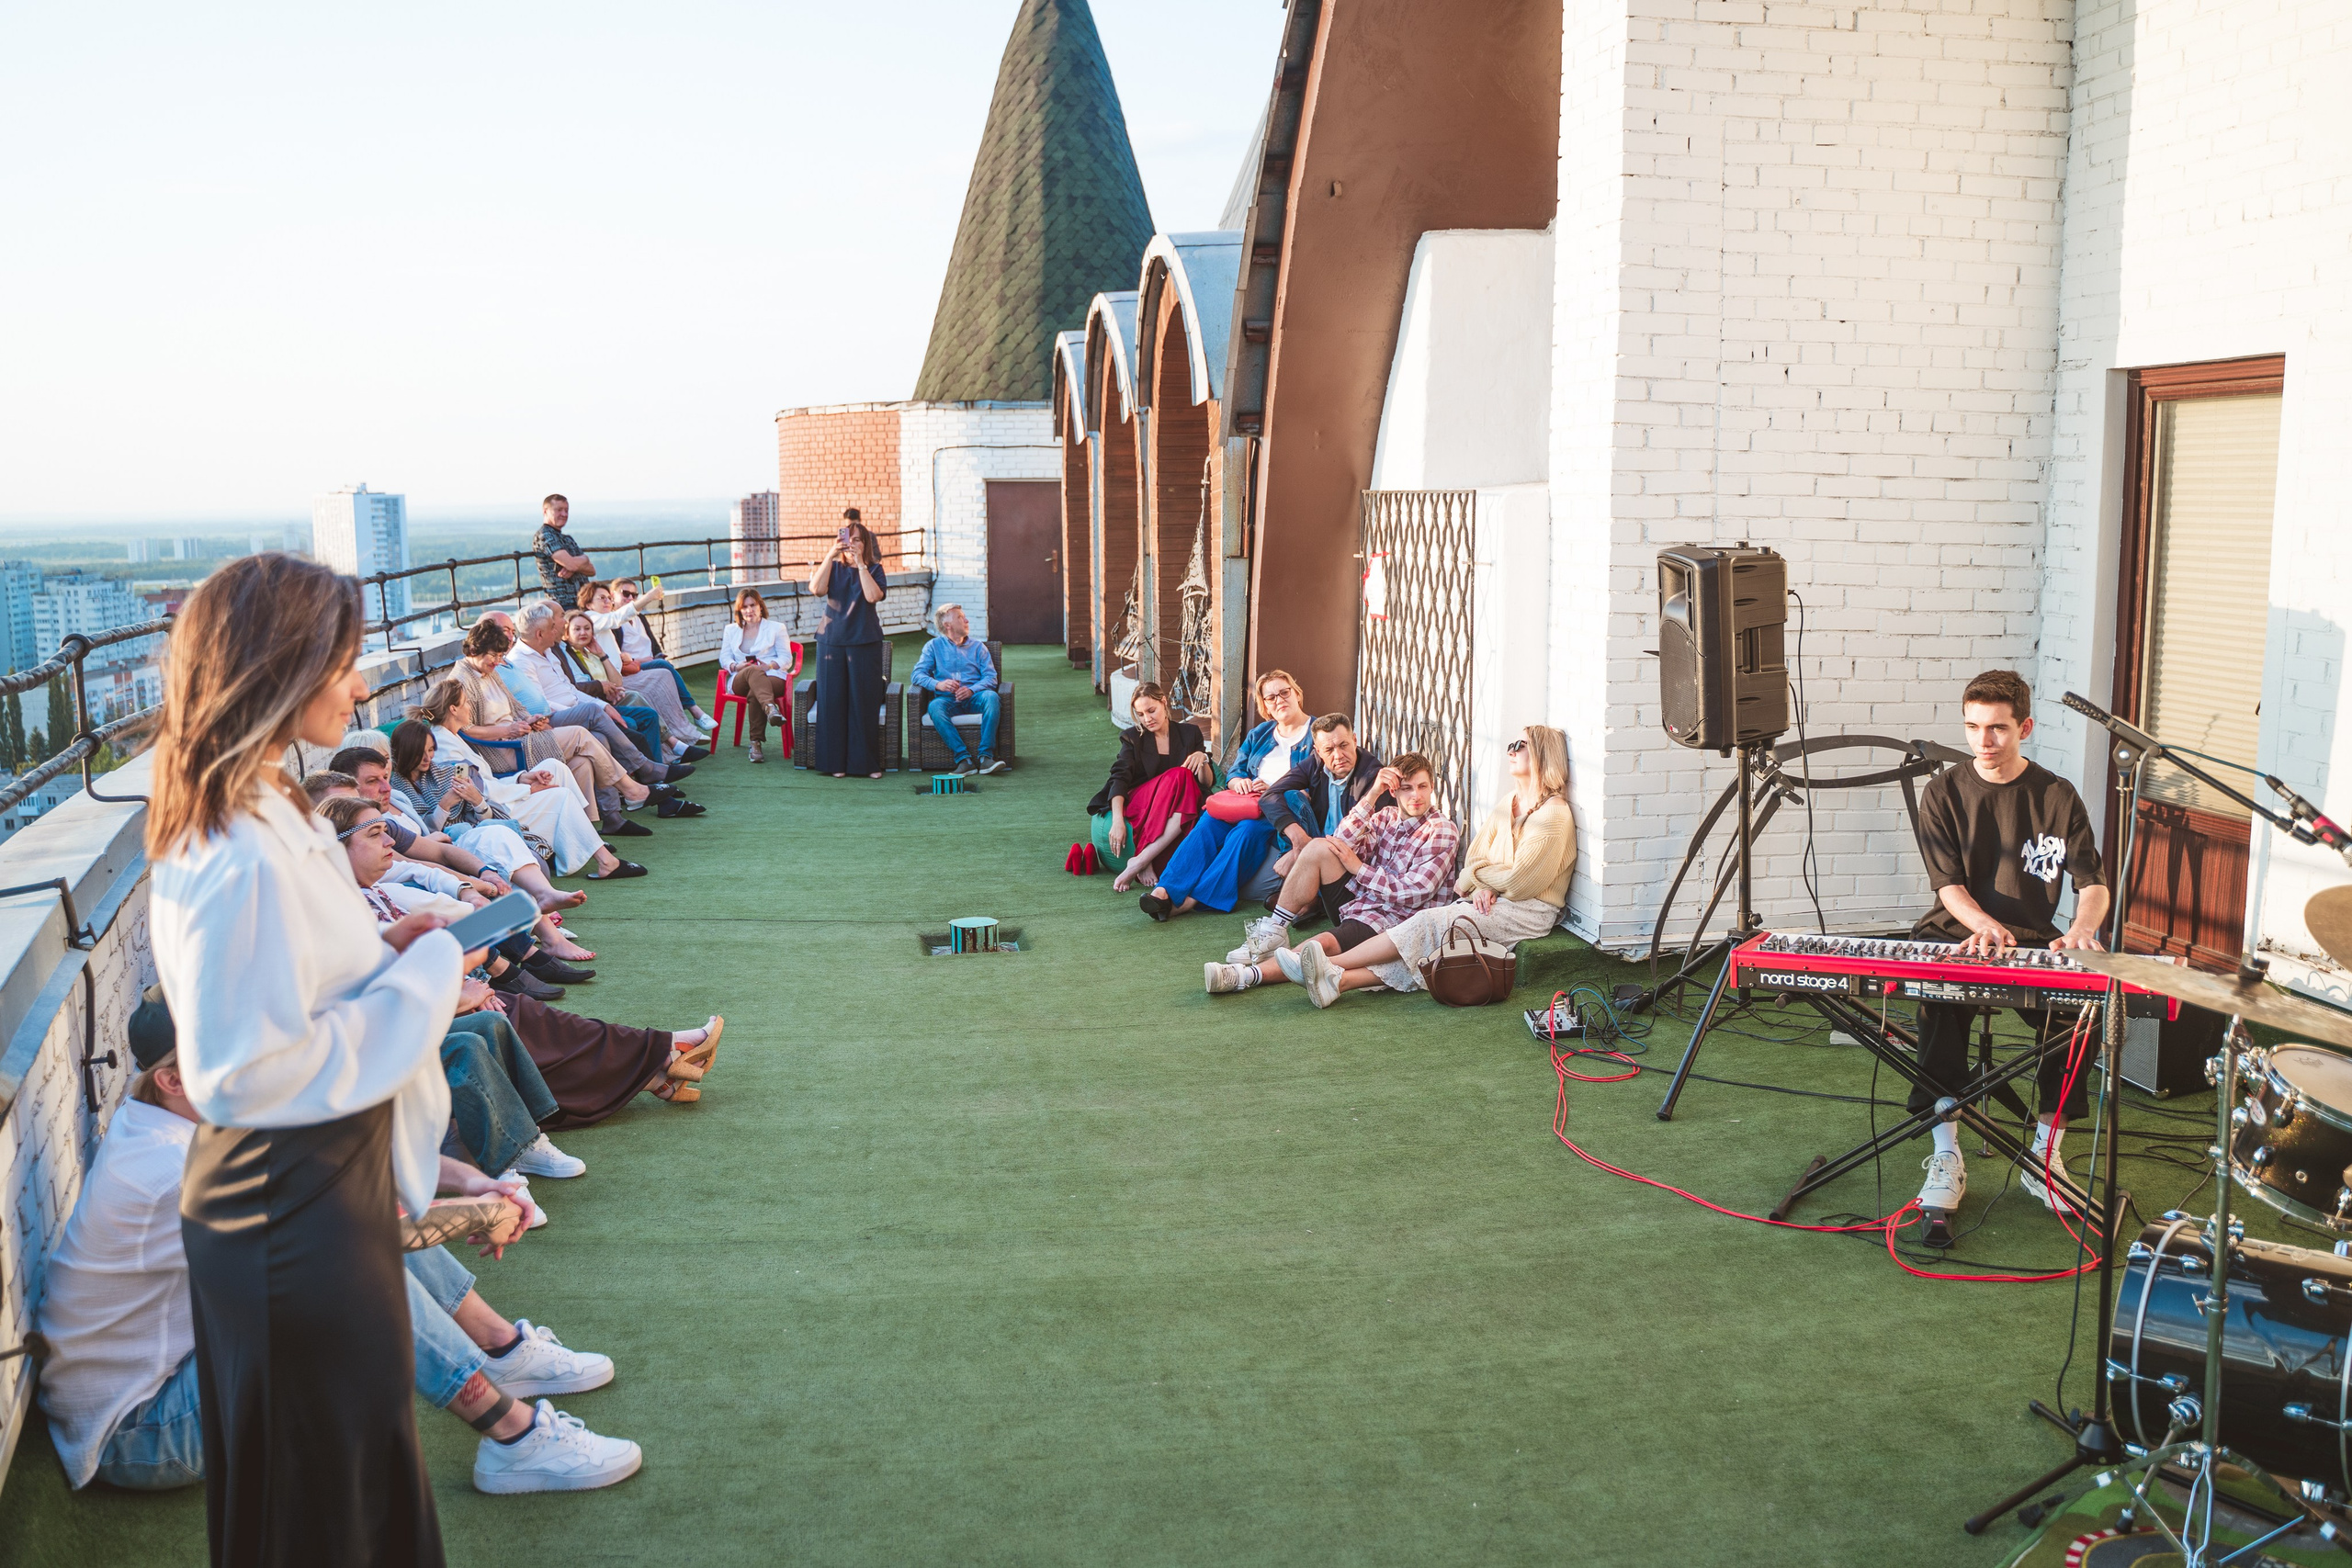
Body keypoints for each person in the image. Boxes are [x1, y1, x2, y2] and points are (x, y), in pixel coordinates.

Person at [146, 551, 475, 1562]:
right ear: (281, 668)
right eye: (346, 661)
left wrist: (381, 951)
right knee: (327, 1509)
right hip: (289, 1206)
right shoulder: (242, 848)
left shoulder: (258, 812)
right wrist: (428, 981)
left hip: (313, 1192)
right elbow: (240, 1070)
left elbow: (284, 986)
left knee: (341, 1490)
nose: (364, 683)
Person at [34, 988, 639, 1498]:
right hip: (144, 1430)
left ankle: (499, 1348)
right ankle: (514, 1436)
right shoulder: (177, 1170)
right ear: (171, 1078)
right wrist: (482, 1215)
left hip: (186, 1368)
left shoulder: (191, 1115)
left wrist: (475, 1182)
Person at [1906, 669, 2110, 1221]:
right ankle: (1946, 1155)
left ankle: (2045, 1156)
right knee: (1939, 1007)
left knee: (2079, 1016)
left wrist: (2084, 929)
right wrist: (1980, 925)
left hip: (2033, 939)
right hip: (1955, 934)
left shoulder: (2056, 795)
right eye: (1973, 727)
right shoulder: (1944, 791)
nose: (1983, 741)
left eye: (1997, 728)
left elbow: (2092, 883)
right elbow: (1947, 885)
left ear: (2025, 727)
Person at [1288, 726, 1576, 1009]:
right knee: (1431, 948)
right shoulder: (1509, 802)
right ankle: (1338, 982)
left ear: (1541, 755)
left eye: (1520, 745)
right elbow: (1476, 857)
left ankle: (1327, 966)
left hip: (1528, 910)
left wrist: (1481, 880)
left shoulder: (1553, 815)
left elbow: (1519, 883)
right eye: (1511, 744)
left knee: (1427, 925)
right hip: (1493, 898)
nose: (1510, 750)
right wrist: (1486, 882)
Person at [1205, 755, 1460, 993]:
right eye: (1407, 788)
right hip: (1365, 901)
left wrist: (1359, 868)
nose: (1416, 795)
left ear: (1431, 788)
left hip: (1395, 921)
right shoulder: (1385, 817)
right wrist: (1372, 795)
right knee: (1319, 847)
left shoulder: (1441, 829)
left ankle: (1242, 976)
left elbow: (1414, 893)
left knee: (1323, 944)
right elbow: (1340, 843)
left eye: (1422, 787)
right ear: (1392, 791)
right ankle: (1274, 929)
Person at [329, 744, 591, 923]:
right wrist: (477, 885)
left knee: (495, 832)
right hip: (437, 856)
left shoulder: (394, 799)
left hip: (448, 847)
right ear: (347, 787)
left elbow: (435, 849)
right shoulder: (367, 824)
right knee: (492, 834)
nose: (386, 787)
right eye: (373, 781)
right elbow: (414, 863)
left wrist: (484, 872)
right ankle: (539, 925)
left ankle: (543, 901)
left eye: (386, 776)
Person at [398, 694, 648, 881]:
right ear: (453, 708)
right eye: (466, 703)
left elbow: (482, 793)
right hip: (482, 821)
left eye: (431, 751)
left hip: (491, 805)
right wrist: (524, 789)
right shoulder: (439, 757)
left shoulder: (446, 754)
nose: (429, 758)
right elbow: (434, 828)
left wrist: (522, 779)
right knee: (558, 791)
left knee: (554, 770)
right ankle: (602, 854)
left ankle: (592, 842)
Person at [1137, 671, 1317, 921]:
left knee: (1245, 832)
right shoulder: (1260, 734)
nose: (1279, 700)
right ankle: (1165, 890)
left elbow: (1318, 787)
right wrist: (1238, 782)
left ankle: (1192, 901)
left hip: (1281, 812)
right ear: (1265, 706)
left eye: (1284, 692)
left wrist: (1277, 789)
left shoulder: (1316, 734)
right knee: (1208, 823)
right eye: (1270, 697)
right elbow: (1235, 771)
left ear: (1297, 694)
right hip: (1246, 803)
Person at [452, 619, 643, 820]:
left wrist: (531, 719)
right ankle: (632, 789)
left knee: (581, 762)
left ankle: (591, 825)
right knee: (579, 733)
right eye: (493, 655)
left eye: (500, 656)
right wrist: (508, 731)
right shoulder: (461, 681)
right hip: (502, 750)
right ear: (473, 649)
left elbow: (515, 706)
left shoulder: (488, 672)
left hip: (518, 738)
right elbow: (465, 729)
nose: (497, 661)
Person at [507, 602, 691, 791]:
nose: (557, 629)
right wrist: (582, 710)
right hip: (552, 717)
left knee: (602, 736)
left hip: (576, 709)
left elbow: (569, 689)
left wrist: (603, 706)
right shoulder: (521, 659)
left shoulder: (547, 651)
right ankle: (646, 769)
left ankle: (620, 809)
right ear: (540, 634)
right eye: (553, 627)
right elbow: (542, 705)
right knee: (596, 713)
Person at [1087, 682, 1214, 893]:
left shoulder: (1190, 733)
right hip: (1142, 800)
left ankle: (1142, 860)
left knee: (1187, 783)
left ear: (1164, 702)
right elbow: (1119, 779)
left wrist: (1203, 759)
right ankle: (1142, 859)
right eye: (1141, 714)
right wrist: (1118, 819)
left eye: (1151, 710)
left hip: (1178, 804)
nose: (1147, 719)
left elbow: (1205, 783)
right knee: (1181, 774)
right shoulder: (1132, 737)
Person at [1258, 714, 1390, 911]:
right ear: (1318, 751)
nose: (1338, 756)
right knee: (1292, 797)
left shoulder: (1372, 777)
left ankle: (1312, 896)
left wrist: (1303, 855)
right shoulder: (1315, 763)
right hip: (1315, 840)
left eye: (1343, 745)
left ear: (1354, 740)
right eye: (1329, 749)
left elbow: (1363, 841)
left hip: (1350, 855)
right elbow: (1269, 795)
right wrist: (1298, 839)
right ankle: (1311, 895)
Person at [806, 508, 890, 777]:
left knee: (863, 703)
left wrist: (861, 564)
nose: (850, 544)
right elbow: (816, 589)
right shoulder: (833, 567)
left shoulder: (875, 569)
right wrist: (830, 556)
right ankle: (834, 765)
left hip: (865, 641)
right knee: (831, 702)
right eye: (847, 538)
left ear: (865, 544)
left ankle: (865, 764)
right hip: (831, 641)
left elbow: (872, 596)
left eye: (857, 540)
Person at [565, 607, 701, 761]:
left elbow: (617, 682)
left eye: (587, 628)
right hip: (594, 706)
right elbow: (578, 688)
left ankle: (662, 761)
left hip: (609, 700)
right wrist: (603, 687)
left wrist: (602, 655)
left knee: (645, 706)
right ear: (566, 633)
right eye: (577, 629)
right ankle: (671, 746)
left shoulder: (592, 653)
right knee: (637, 712)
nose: (583, 632)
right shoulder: (567, 656)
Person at [586, 579, 715, 736]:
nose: (630, 598)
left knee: (664, 671)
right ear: (588, 604)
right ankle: (684, 728)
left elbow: (652, 644)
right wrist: (648, 597)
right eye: (625, 594)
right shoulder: (597, 620)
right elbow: (616, 622)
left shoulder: (632, 619)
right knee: (662, 672)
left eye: (634, 595)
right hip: (626, 671)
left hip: (627, 670)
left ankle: (683, 730)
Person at [910, 604, 1004, 775]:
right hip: (947, 700)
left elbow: (991, 677)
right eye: (960, 617)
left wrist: (972, 690)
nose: (966, 620)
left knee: (991, 697)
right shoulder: (933, 646)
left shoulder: (978, 647)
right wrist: (938, 684)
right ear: (948, 625)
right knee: (934, 707)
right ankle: (964, 759)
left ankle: (985, 758)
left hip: (976, 698)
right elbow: (917, 675)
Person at [718, 588, 797, 764]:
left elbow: (786, 658)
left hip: (772, 675)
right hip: (740, 678)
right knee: (753, 671)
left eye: (752, 605)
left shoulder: (777, 628)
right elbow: (725, 657)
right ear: (739, 610)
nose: (749, 610)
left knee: (756, 691)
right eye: (744, 607)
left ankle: (755, 744)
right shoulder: (731, 630)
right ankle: (770, 708)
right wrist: (737, 666)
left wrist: (768, 666)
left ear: (760, 606)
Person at [532, 493, 593, 610]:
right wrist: (580, 562)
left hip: (583, 602)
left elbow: (591, 570)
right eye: (559, 510)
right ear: (545, 511)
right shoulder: (545, 536)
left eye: (566, 510)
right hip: (562, 606)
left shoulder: (567, 539)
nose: (564, 514)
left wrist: (577, 564)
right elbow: (572, 564)